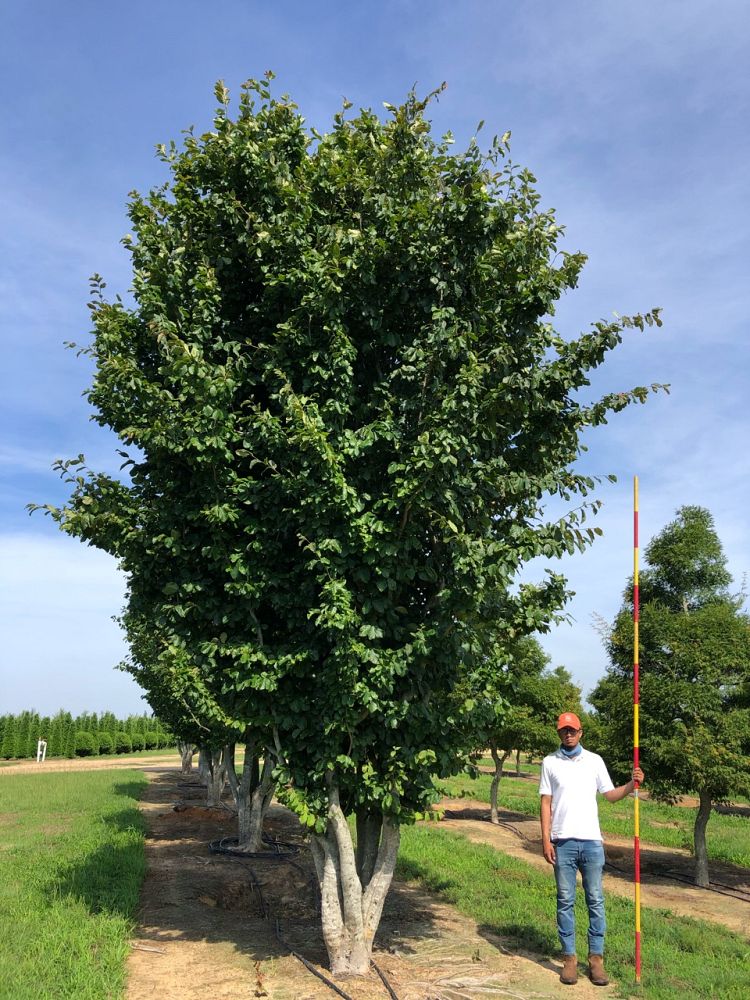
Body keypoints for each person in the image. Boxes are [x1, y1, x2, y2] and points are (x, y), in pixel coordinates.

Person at [539, 712, 644, 987]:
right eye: (564, 730)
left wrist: (632, 785)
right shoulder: (550, 762)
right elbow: (546, 803)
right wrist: (546, 840)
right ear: (559, 733)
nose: (569, 734)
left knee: (595, 900)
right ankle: (570, 959)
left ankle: (596, 960)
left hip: (592, 843)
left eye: (573, 730)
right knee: (565, 901)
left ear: (581, 732)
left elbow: (609, 795)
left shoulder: (594, 761)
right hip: (563, 842)